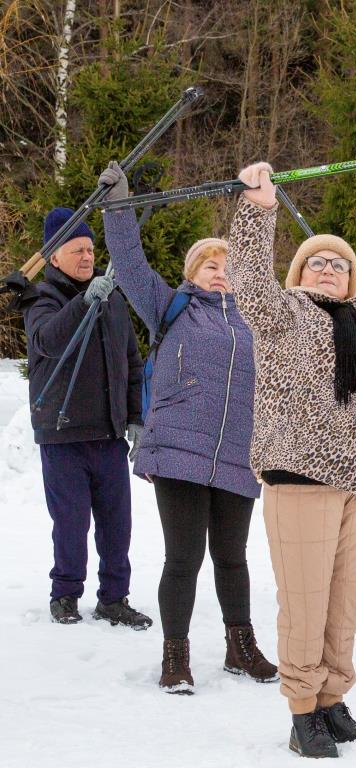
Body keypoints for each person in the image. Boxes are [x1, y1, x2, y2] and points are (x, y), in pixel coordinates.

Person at [226, 162, 356, 759]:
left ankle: (332, 703)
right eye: (317, 260)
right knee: (306, 604)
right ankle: (301, 713)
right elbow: (248, 279)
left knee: (343, 606)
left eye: (340, 263)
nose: (328, 267)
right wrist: (259, 211)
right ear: (299, 271)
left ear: (353, 280)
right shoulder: (282, 314)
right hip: (300, 478)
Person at [99, 162, 277, 694]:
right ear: (191, 272)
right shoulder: (170, 308)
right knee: (184, 558)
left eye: (227, 263)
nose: (220, 270)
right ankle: (175, 655)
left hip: (239, 454)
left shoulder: (257, 317)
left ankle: (239, 647)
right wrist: (118, 206)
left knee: (233, 558)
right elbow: (128, 264)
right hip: (179, 448)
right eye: (208, 264)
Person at [21, 207, 151, 629]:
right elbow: (48, 341)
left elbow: (130, 362)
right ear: (54, 256)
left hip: (109, 434)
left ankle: (114, 598)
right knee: (71, 523)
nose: (86, 257)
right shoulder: (42, 298)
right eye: (77, 250)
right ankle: (65, 594)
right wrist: (83, 301)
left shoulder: (111, 297)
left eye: (91, 249)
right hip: (63, 434)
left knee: (117, 525)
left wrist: (135, 416)